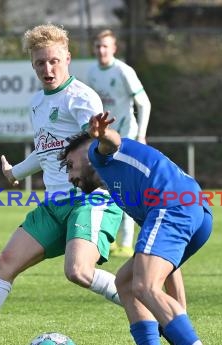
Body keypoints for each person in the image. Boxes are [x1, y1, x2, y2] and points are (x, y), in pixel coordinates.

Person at [0, 24, 184, 345]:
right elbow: (46, 151)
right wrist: (16, 171)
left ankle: (163, 315)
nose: (48, 69)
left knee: (79, 271)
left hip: (90, 198)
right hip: (54, 203)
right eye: (40, 63)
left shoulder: (81, 97)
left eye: (54, 61)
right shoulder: (37, 103)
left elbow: (99, 142)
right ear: (33, 65)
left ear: (67, 59)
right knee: (4, 262)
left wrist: (106, 144)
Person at [58, 112, 222, 345]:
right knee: (125, 282)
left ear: (86, 152)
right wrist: (177, 309)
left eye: (70, 164)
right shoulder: (121, 186)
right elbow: (170, 262)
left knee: (144, 285)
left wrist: (100, 134)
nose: (70, 175)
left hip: (173, 206)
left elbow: (112, 141)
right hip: (194, 212)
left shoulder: (100, 156)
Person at [87, 29, 151, 258]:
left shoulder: (123, 70)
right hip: (105, 141)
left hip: (127, 138)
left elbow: (144, 103)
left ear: (114, 48)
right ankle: (112, 238)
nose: (101, 50)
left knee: (126, 189)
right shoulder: (92, 72)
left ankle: (127, 242)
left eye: (106, 46)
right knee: (107, 189)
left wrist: (141, 135)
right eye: (98, 46)